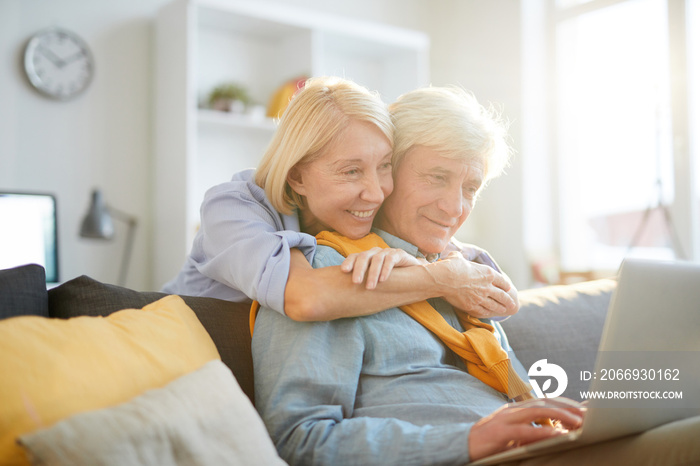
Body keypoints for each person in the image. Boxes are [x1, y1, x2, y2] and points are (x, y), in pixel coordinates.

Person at [252, 86, 700, 465]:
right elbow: (299, 439)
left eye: (470, 188)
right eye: (436, 177)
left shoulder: (463, 274)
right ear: (388, 171)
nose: (454, 209)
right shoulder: (327, 276)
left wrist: (568, 420)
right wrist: (468, 439)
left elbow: (509, 392)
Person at [161, 76, 519, 322]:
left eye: (383, 166)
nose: (376, 192)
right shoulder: (233, 207)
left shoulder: (362, 214)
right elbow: (306, 297)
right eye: (351, 171)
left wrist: (448, 266)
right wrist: (442, 279)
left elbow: (501, 300)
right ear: (297, 176)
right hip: (175, 349)